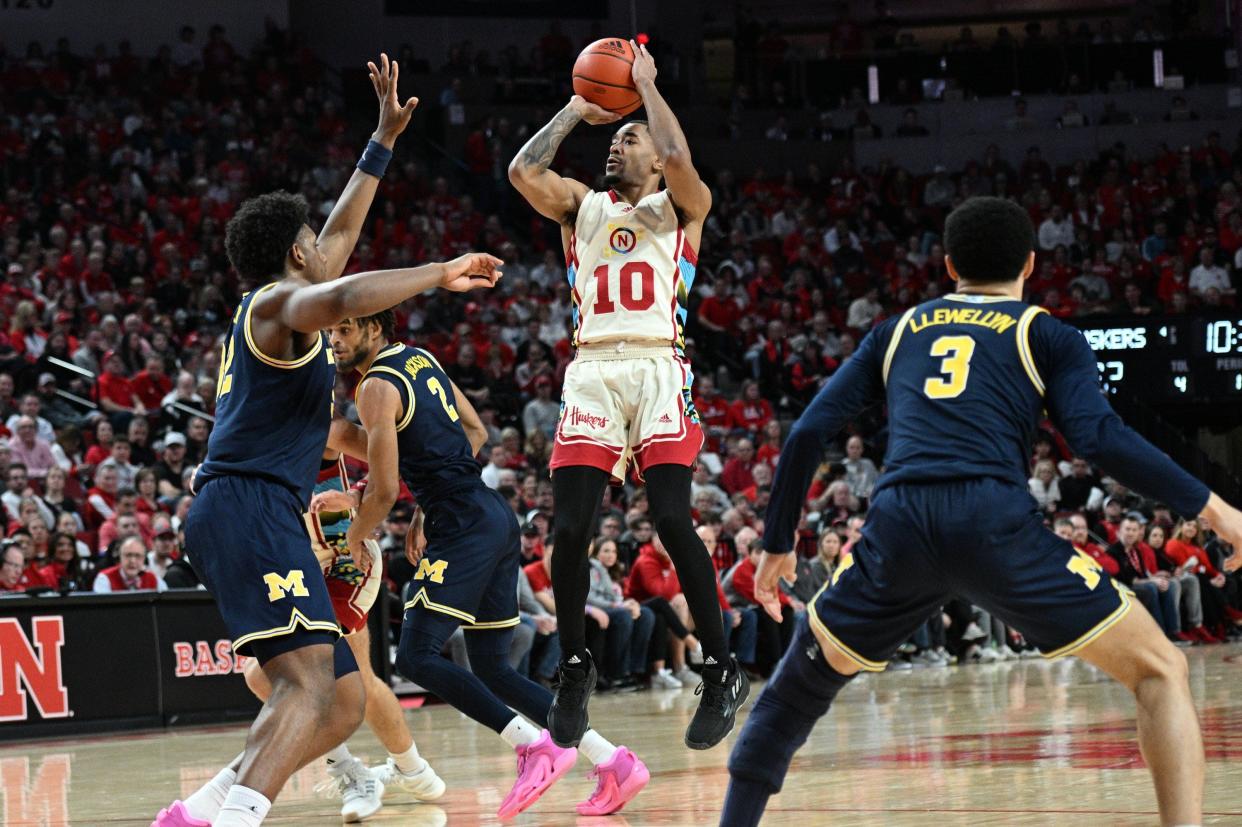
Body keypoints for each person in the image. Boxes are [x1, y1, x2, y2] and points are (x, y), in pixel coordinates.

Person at [721, 196, 1242, 827]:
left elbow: (805, 432)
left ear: (947, 267)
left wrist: (777, 543)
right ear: (1030, 264)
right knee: (1162, 669)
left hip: (899, 524)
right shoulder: (1045, 332)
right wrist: (1213, 507)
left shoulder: (898, 330)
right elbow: (1100, 439)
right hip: (993, 522)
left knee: (791, 697)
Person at [152, 54, 502, 827]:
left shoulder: (282, 302)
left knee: (340, 701)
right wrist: (439, 269)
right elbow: (342, 286)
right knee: (306, 682)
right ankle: (234, 818)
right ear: (295, 257)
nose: (328, 243)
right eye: (315, 242)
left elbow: (341, 236)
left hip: (258, 507)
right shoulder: (277, 303)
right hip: (248, 505)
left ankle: (200, 809)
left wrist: (379, 142)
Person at [508, 40, 745, 751]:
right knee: (572, 530)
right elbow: (523, 170)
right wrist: (577, 110)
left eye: (629, 136)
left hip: (658, 369)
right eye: (615, 138)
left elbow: (680, 160)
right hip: (592, 373)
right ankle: (575, 662)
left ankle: (722, 667)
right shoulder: (581, 207)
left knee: (673, 519)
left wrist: (648, 92)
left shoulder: (684, 208)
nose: (619, 145)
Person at [318, 310, 648, 819]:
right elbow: (473, 433)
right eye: (331, 330)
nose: (334, 339)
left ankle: (533, 746)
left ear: (375, 328)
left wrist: (354, 543)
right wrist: (427, 501)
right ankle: (614, 761)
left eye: (345, 328)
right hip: (492, 515)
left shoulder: (375, 386)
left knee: (416, 656)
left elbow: (383, 491)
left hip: (465, 528)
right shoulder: (420, 360)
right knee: (493, 666)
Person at [92, 535, 164, 592]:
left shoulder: (153, 578)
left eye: (137, 555)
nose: (132, 560)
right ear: (120, 557)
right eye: (128, 555)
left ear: (144, 559)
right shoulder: (105, 578)